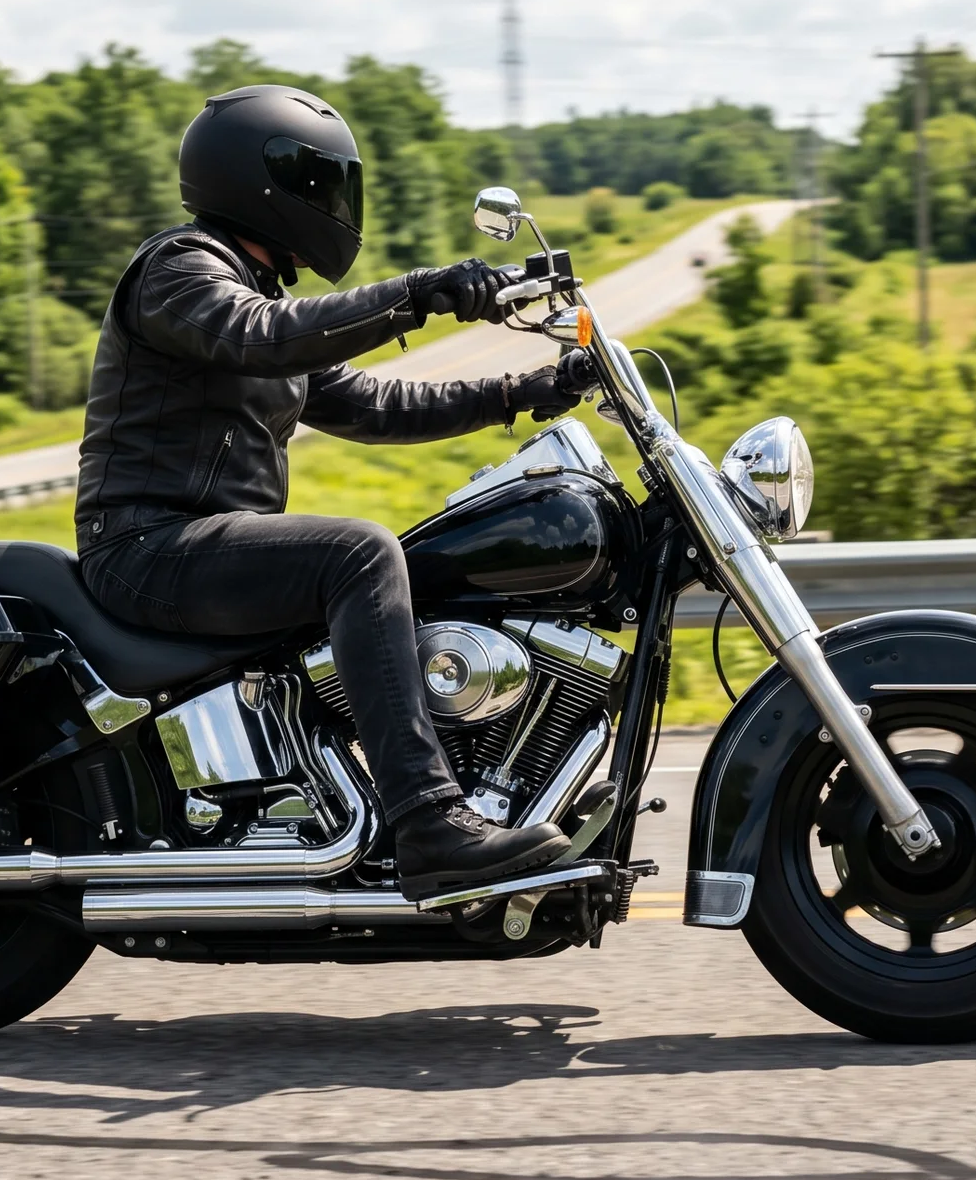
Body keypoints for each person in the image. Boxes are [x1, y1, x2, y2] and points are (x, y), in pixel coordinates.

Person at [74, 83, 598, 898]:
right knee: (358, 554)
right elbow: (260, 337)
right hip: (147, 544)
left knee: (412, 553)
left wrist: (524, 391)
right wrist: (416, 294)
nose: (334, 202)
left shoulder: (259, 294)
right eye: (320, 183)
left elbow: (373, 404)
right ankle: (428, 820)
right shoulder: (180, 270)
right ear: (262, 182)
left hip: (202, 545)